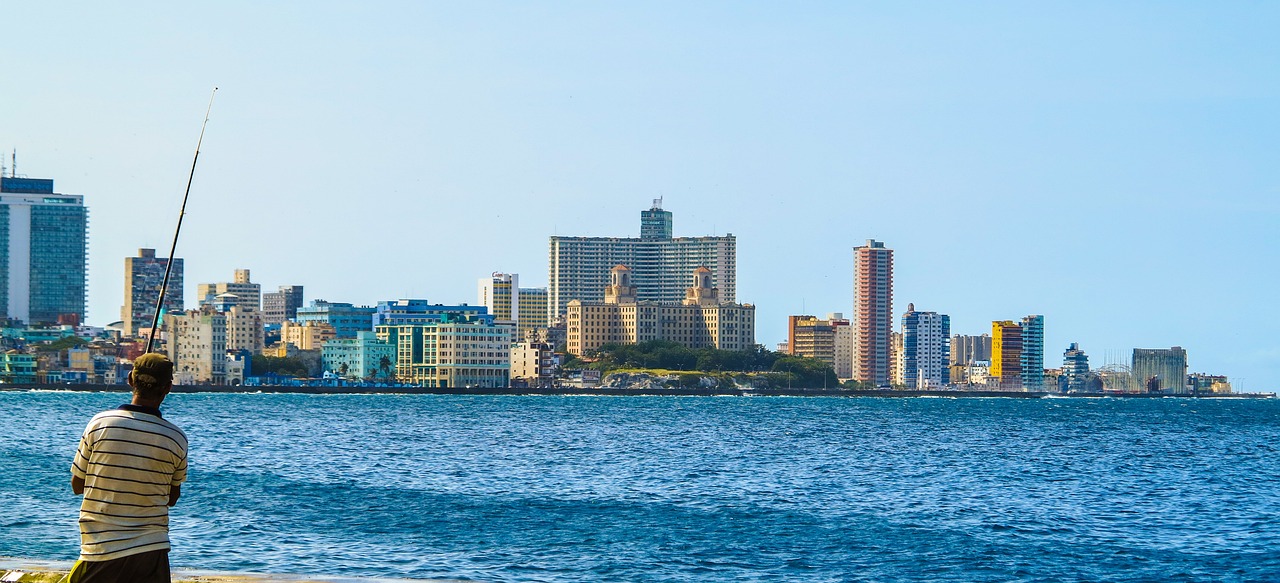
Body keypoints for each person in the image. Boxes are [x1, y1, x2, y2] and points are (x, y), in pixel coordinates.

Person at [68, 353, 188, 583]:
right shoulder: (176, 438)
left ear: (131, 380)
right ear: (168, 388)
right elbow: (172, 498)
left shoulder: (99, 424)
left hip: (100, 550)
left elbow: (77, 485)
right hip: (152, 553)